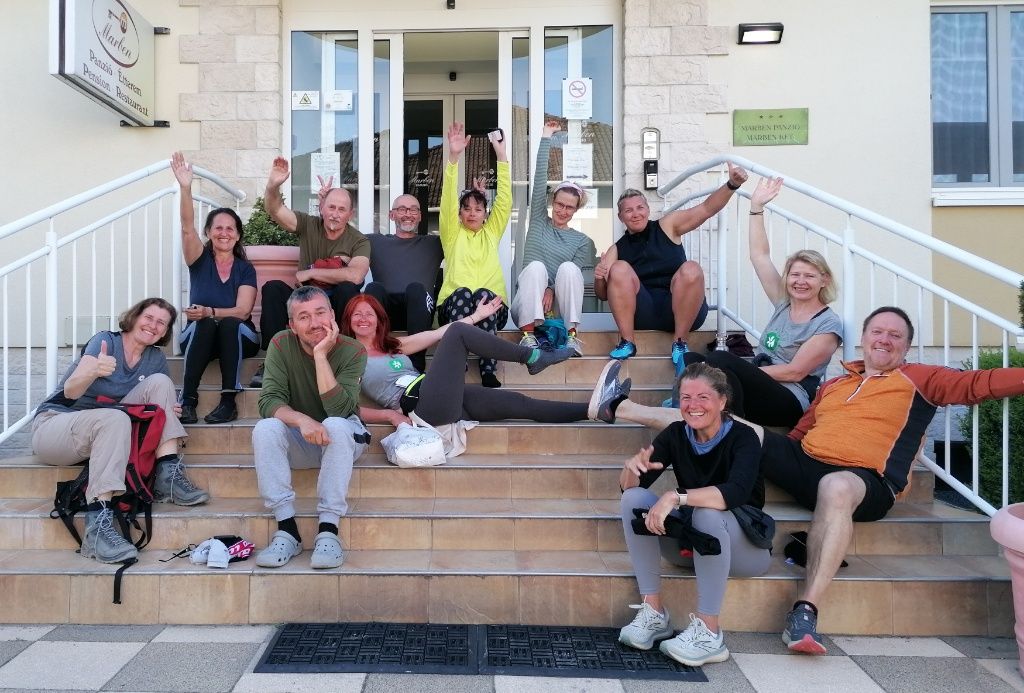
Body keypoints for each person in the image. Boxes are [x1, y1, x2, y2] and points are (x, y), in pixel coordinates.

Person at [596, 306, 1024, 655]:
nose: (884, 339)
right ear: (865, 339)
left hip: (865, 480)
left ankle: (805, 611)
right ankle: (622, 408)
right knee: (722, 420)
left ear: (906, 346)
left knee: (835, 487)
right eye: (878, 331)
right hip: (807, 461)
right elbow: (801, 434)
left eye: (895, 335)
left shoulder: (922, 378)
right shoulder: (836, 385)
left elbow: (979, 384)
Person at [31, 298, 209, 564]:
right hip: (56, 425)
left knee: (161, 383)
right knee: (114, 419)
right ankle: (97, 526)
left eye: (161, 323)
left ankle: (168, 475)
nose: (153, 326)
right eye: (148, 317)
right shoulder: (105, 342)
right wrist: (92, 371)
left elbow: (152, 407)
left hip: (104, 433)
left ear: (165, 331)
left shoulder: (154, 357)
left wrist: (168, 410)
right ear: (135, 317)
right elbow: (70, 391)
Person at [616, 363, 770, 667]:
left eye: (703, 397)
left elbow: (734, 493)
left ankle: (710, 633)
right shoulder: (676, 433)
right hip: (694, 545)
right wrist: (631, 470)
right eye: (686, 398)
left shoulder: (744, 437)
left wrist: (675, 496)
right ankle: (654, 613)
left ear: (723, 401)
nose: (693, 406)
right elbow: (630, 488)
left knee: (708, 514)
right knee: (634, 500)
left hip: (745, 549)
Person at [683, 177, 842, 424]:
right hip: (759, 386)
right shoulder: (784, 302)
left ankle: (717, 424)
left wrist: (743, 371)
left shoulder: (827, 324)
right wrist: (756, 207)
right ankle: (697, 416)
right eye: (795, 274)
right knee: (692, 362)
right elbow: (759, 255)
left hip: (789, 399)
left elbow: (795, 371)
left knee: (720, 362)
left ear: (824, 280)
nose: (800, 281)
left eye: (809, 276)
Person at [252, 285, 370, 570]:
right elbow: (269, 400)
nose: (314, 322)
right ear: (292, 326)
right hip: (303, 439)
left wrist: (320, 355)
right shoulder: (281, 344)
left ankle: (329, 530)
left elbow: (339, 410)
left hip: (344, 440)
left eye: (320, 313)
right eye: (303, 317)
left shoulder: (353, 350)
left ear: (333, 315)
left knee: (336, 424)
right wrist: (302, 420)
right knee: (265, 428)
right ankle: (287, 530)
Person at [342, 294, 582, 429]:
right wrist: (389, 416)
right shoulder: (350, 358)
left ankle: (594, 410)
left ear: (378, 319)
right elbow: (345, 407)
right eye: (357, 314)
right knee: (457, 332)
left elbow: (438, 334)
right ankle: (532, 356)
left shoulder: (396, 346)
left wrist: (478, 316)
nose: (363, 319)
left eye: (368, 313)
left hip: (443, 397)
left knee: (521, 404)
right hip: (420, 406)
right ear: (348, 321)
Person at [594, 163, 748, 364]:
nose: (635, 213)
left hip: (683, 309)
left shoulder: (668, 225)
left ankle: (680, 343)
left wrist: (731, 184)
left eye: (640, 207)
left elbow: (706, 208)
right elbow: (602, 294)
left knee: (691, 268)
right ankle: (627, 342)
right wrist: (598, 278)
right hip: (643, 313)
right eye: (628, 210)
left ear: (648, 210)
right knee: (619, 268)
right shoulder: (616, 249)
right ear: (620, 217)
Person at [251, 158, 371, 387]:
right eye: (332, 207)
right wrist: (273, 186)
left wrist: (311, 272)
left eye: (342, 209)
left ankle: (342, 360)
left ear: (350, 214)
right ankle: (272, 360)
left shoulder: (359, 240)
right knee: (273, 288)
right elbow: (274, 209)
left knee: (349, 289)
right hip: (305, 298)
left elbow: (356, 275)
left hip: (335, 300)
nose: (335, 214)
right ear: (322, 208)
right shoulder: (308, 224)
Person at [170, 152, 259, 424]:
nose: (224, 233)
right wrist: (185, 188)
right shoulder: (199, 260)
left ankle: (228, 400)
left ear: (238, 234)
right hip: (201, 338)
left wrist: (209, 310)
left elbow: (243, 311)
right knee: (206, 325)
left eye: (230, 228)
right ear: (208, 232)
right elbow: (187, 228)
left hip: (239, 336)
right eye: (218, 228)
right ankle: (188, 401)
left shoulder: (245, 268)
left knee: (230, 322)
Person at [511, 119, 597, 357]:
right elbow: (539, 180)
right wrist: (546, 136)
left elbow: (572, 281)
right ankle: (527, 336)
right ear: (552, 203)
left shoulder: (581, 241)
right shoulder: (539, 221)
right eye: (559, 204)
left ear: (575, 210)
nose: (562, 210)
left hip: (557, 310)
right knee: (536, 267)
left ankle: (571, 338)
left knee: (570, 269)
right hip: (527, 305)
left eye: (569, 207)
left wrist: (551, 290)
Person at [437, 121, 511, 388]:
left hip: (492, 309)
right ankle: (456, 364)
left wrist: (501, 156)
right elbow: (447, 199)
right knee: (464, 294)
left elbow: (504, 201)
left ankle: (487, 369)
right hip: (454, 308)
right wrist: (454, 157)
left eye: (478, 209)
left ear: (485, 215)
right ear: (459, 214)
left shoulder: (491, 233)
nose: (471, 213)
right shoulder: (452, 234)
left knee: (484, 295)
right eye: (466, 209)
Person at [364, 194, 443, 372]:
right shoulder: (374, 241)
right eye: (402, 209)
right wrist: (322, 204)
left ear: (420, 216)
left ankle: (416, 364)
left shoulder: (435, 243)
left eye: (413, 209)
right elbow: (338, 233)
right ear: (392, 215)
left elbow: (465, 232)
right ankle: (370, 357)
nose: (408, 213)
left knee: (416, 289)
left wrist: (480, 200)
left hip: (419, 309)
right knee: (373, 288)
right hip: (385, 312)